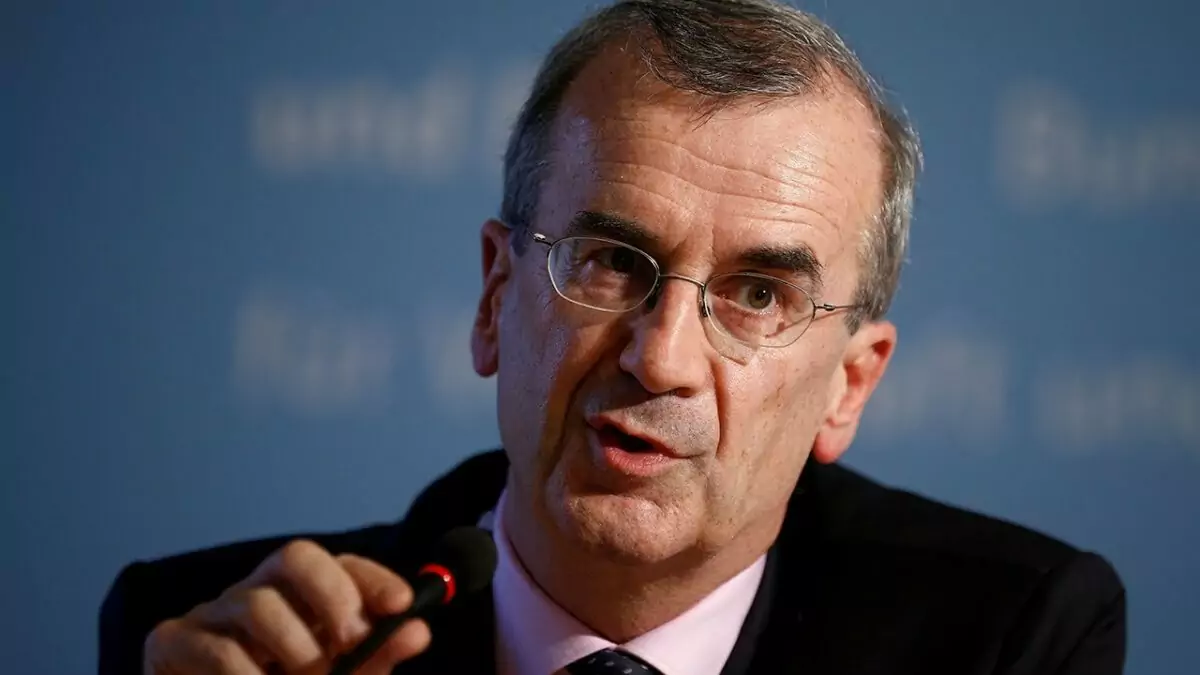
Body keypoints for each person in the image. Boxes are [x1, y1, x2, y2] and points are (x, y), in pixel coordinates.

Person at [99, 1, 1127, 673]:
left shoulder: (1011, 636)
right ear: (496, 297)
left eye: (757, 294)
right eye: (609, 263)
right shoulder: (215, 636)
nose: (660, 357)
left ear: (848, 387)